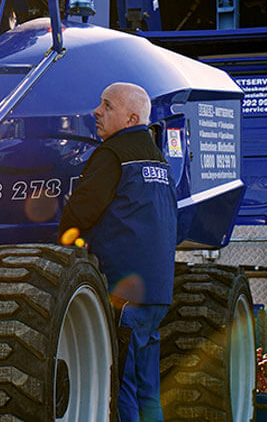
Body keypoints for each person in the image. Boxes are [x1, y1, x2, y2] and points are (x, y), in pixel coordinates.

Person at [58, 82, 176, 422]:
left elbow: (79, 214)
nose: (97, 112)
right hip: (156, 294)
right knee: (147, 390)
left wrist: (60, 259)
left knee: (120, 389)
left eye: (107, 106)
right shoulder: (159, 161)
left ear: (131, 117)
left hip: (123, 294)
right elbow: (172, 224)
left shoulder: (112, 155)